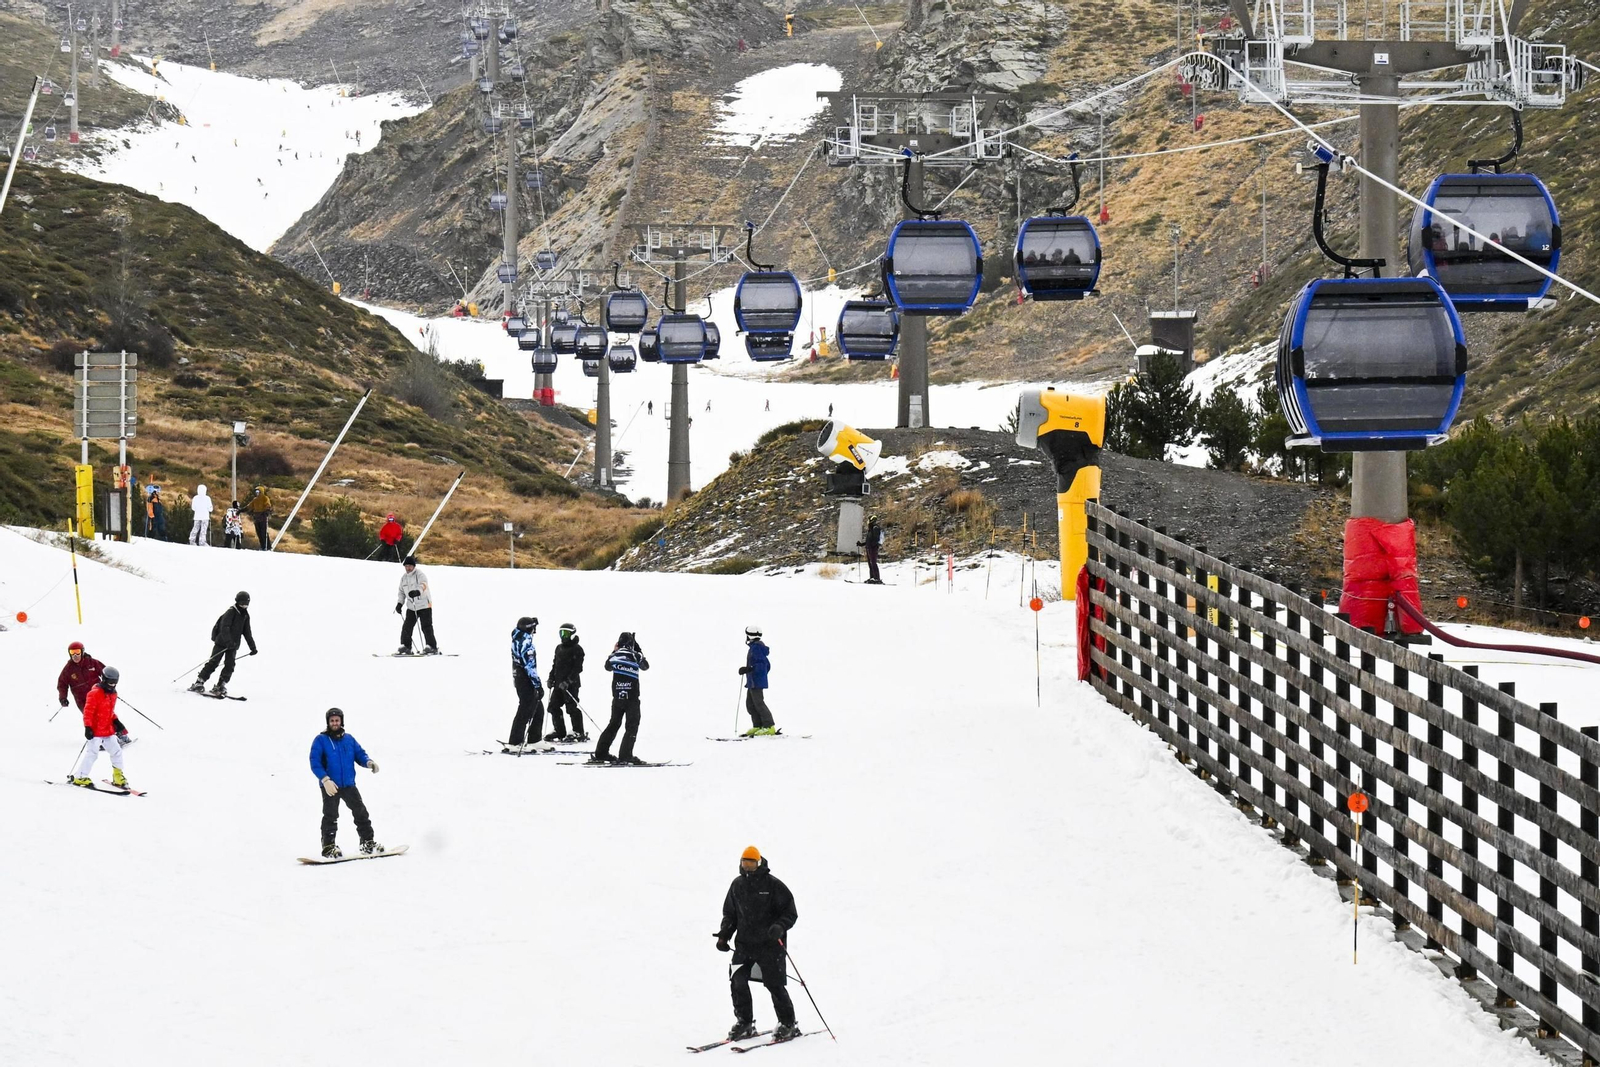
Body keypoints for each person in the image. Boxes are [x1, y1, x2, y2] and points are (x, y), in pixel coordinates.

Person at [716, 845, 799, 1043]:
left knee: (774, 984)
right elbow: (730, 914)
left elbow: (790, 913)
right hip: (744, 945)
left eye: (751, 863)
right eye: (745, 863)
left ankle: (788, 1024)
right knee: (737, 981)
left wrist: (780, 926)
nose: (748, 867)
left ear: (759, 863)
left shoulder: (773, 885)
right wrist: (724, 936)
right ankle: (744, 1022)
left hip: (770, 946)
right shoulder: (737, 885)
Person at [309, 708, 383, 859]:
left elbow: (359, 754)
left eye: (337, 720)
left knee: (361, 812)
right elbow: (314, 762)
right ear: (328, 723)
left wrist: (368, 762)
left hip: (349, 784)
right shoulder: (321, 740)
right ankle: (329, 847)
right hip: (331, 786)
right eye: (332, 721)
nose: (335, 723)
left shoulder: (349, 739)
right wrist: (325, 779)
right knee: (331, 816)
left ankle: (367, 842)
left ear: (341, 721)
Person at [57, 641, 132, 746]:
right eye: (72, 652)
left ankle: (120, 734)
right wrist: (63, 698)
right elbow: (62, 684)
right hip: (82, 700)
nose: (75, 655)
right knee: (92, 719)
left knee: (107, 715)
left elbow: (105, 672)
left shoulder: (92, 663)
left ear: (82, 652)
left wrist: (109, 686)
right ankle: (100, 742)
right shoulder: (68, 669)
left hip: (99, 694)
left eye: (77, 652)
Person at [590, 632, 649, 764]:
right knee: (632, 726)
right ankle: (625, 755)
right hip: (632, 697)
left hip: (617, 697)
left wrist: (614, 650)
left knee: (613, 724)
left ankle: (601, 753)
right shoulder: (635, 655)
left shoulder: (615, 656)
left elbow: (607, 666)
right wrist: (638, 650)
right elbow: (645, 666)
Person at [71, 666, 131, 790]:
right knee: (92, 754)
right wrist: (87, 727)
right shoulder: (94, 694)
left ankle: (118, 776)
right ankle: (80, 776)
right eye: (110, 683)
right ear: (103, 679)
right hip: (95, 731)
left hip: (108, 730)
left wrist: (116, 721)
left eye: (115, 683)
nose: (112, 685)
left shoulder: (113, 694)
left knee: (117, 751)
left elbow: (109, 711)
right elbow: (88, 712)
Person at [190, 590, 257, 697]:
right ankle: (199, 681)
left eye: (246, 603)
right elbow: (224, 628)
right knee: (214, 662)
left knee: (230, 665)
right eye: (242, 603)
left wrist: (253, 647)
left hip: (233, 646)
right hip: (221, 643)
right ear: (237, 601)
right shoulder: (231, 612)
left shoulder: (245, 616)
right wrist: (228, 641)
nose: (244, 606)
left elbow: (247, 632)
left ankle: (221, 685)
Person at [505, 616, 545, 748]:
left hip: (519, 678)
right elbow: (529, 666)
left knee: (537, 708)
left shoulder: (517, 639)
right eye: (534, 628)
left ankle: (535, 739)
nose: (535, 631)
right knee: (525, 710)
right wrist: (538, 685)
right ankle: (515, 742)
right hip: (525, 679)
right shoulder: (526, 643)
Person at [545, 622, 587, 742]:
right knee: (553, 707)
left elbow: (578, 668)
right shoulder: (559, 648)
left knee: (571, 707)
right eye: (562, 633)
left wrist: (568, 681)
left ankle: (578, 731)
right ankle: (559, 731)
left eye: (567, 633)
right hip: (558, 684)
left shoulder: (577, 649)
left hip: (571, 684)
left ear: (573, 634)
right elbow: (555, 665)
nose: (564, 636)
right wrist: (551, 678)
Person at [396, 555, 439, 654]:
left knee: (426, 626)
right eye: (406, 566)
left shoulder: (420, 574)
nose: (408, 568)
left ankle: (432, 646)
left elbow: (423, 585)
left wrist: (417, 592)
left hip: (424, 605)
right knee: (407, 627)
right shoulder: (403, 578)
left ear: (414, 566)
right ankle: (406, 646)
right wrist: (399, 604)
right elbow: (401, 592)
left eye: (410, 566)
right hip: (411, 607)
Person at [739, 627, 777, 736]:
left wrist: (750, 669)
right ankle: (758, 726)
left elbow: (762, 665)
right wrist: (749, 670)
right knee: (750, 704)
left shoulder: (757, 648)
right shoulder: (755, 647)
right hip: (752, 681)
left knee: (759, 703)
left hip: (756, 682)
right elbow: (767, 665)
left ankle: (769, 726)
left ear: (750, 635)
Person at [246, 485, 273, 549]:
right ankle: (262, 546)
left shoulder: (265, 498)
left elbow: (268, 505)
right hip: (256, 518)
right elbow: (249, 506)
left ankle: (268, 547)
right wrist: (241, 510)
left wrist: (267, 511)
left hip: (263, 517)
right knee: (259, 533)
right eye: (256, 492)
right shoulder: (255, 500)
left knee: (264, 533)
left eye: (258, 491)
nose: (257, 493)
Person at [859, 516, 883, 584]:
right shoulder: (871, 528)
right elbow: (869, 540)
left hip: (873, 548)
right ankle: (872, 577)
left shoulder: (875, 528)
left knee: (873, 563)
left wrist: (872, 546)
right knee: (870, 563)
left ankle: (877, 578)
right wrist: (862, 544)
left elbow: (876, 539)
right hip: (869, 548)